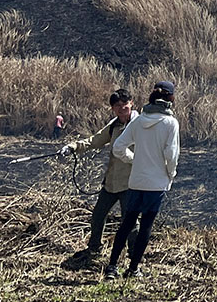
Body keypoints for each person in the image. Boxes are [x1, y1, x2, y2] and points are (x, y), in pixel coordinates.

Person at [105, 81, 180, 279]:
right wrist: (170, 175)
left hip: (136, 180)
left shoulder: (138, 121)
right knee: (145, 226)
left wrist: (133, 160)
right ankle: (133, 269)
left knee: (127, 224)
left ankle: (112, 267)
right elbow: (171, 155)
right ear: (171, 99)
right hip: (156, 183)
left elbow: (118, 148)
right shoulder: (171, 123)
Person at [59, 89, 137, 257]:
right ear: (112, 108)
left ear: (132, 103)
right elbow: (94, 140)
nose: (122, 108)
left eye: (125, 105)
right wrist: (73, 147)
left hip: (131, 183)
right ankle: (94, 248)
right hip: (111, 182)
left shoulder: (140, 125)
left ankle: (133, 255)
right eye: (118, 106)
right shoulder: (114, 126)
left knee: (130, 221)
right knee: (97, 216)